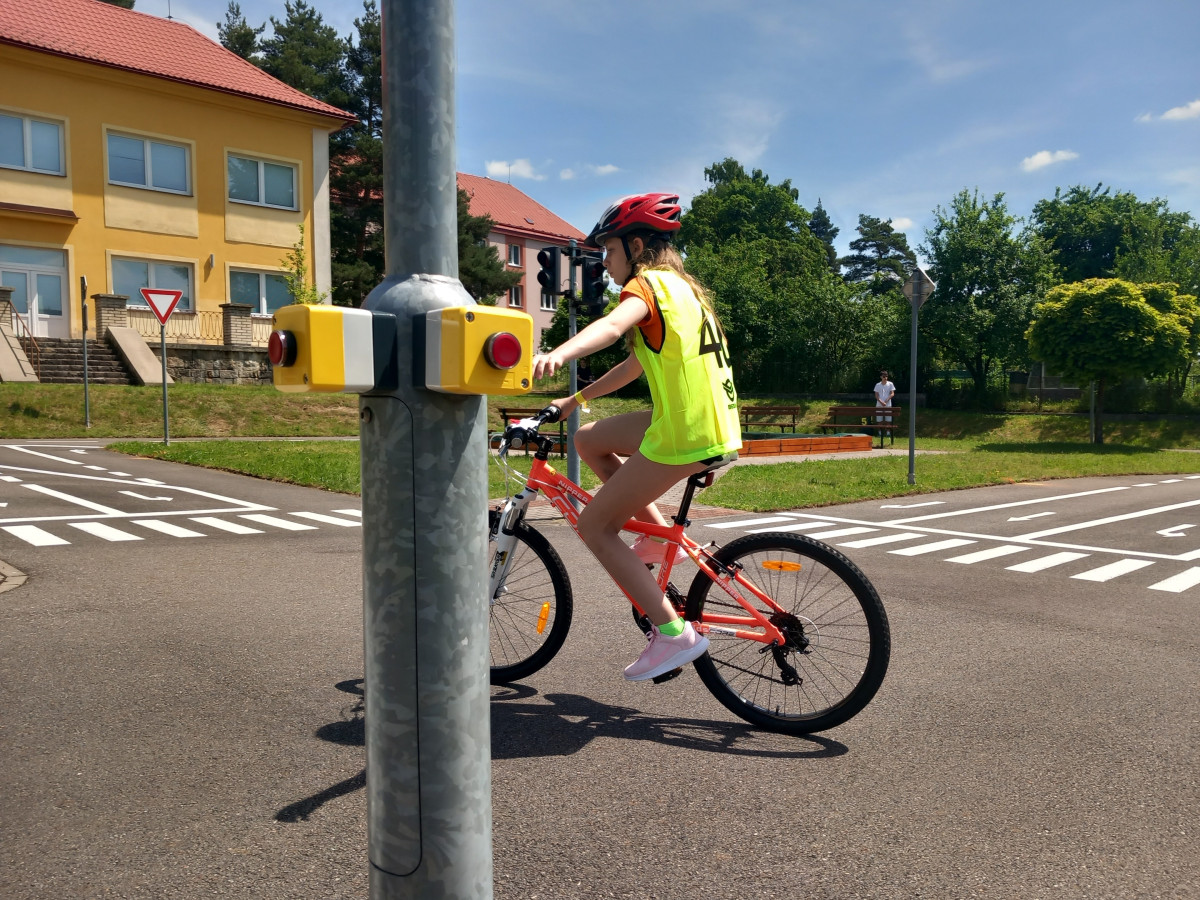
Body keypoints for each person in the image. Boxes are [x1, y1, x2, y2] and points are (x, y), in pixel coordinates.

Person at [531, 193, 741, 682]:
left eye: (609, 249)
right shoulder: (684, 291)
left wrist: (560, 354)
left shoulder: (646, 286)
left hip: (685, 431)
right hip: (706, 420)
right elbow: (634, 364)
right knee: (588, 442)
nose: (605, 261)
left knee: (595, 527)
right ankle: (649, 541)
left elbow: (609, 328)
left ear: (638, 244)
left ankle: (673, 636)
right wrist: (573, 403)